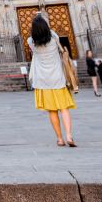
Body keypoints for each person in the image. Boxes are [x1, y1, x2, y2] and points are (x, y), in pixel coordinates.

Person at [27, 15, 76, 147]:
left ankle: (60, 139)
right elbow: (52, 33)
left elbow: (31, 38)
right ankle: (69, 135)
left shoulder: (31, 42)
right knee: (64, 109)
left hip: (43, 81)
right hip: (58, 79)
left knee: (52, 111)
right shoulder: (54, 37)